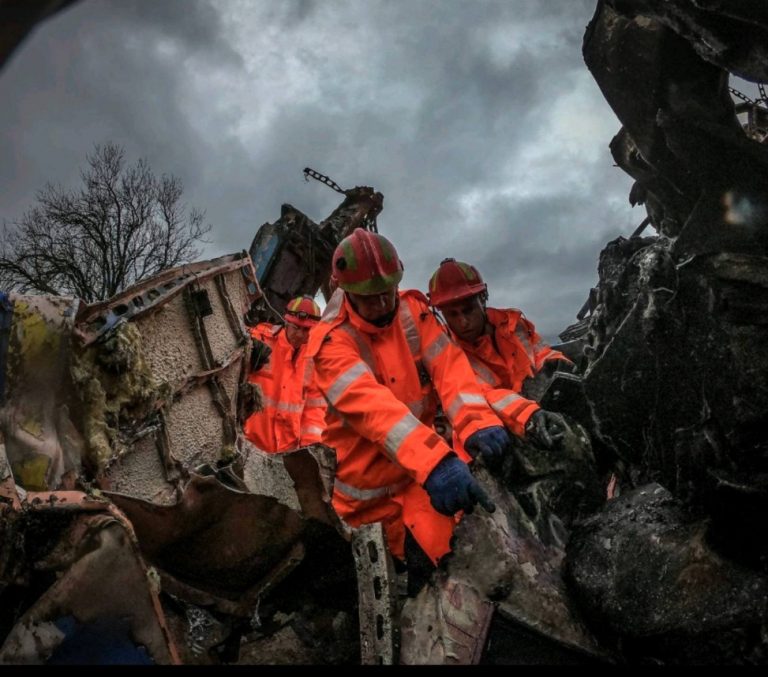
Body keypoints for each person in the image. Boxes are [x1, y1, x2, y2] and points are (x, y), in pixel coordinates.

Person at [306, 228, 511, 578]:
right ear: (344, 291)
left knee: (463, 565)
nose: (383, 305)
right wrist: (435, 463)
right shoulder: (331, 343)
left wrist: (478, 423)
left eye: (387, 294)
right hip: (369, 505)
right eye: (370, 299)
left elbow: (452, 372)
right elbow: (376, 411)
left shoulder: (414, 310)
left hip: (421, 482)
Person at [427, 258, 572, 451]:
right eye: (452, 315)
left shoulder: (514, 326)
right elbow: (485, 395)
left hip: (537, 410)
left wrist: (559, 365)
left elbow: (541, 353)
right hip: (496, 433)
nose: (463, 322)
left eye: (467, 310)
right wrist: (530, 416)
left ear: (483, 298)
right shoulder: (447, 354)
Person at [243, 295, 327, 454]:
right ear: (286, 322)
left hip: (286, 450)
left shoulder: (315, 359)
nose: (300, 334)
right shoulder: (260, 339)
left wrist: (311, 449)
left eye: (306, 330)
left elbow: (314, 411)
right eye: (296, 327)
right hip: (249, 442)